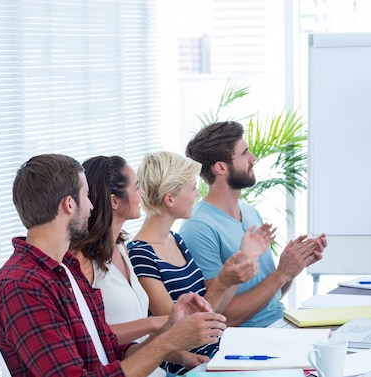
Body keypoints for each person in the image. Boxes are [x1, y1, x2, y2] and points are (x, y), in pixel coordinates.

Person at [0, 153, 226, 376]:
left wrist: (170, 331)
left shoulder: (65, 271)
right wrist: (168, 341)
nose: (91, 206)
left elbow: (109, 349)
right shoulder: (22, 286)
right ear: (69, 204)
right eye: (86, 196)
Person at [127, 151, 274, 375]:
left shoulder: (176, 240)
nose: (197, 194)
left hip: (219, 355)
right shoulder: (140, 254)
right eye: (192, 188)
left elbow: (213, 310)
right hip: (190, 368)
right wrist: (224, 280)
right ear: (170, 199)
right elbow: (178, 331)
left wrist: (239, 267)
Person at [178, 121, 328, 328]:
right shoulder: (198, 228)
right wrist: (281, 273)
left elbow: (270, 296)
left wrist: (293, 265)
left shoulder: (249, 213)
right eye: (244, 153)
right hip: (246, 340)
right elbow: (222, 316)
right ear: (220, 167)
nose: (253, 158)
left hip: (280, 323)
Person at [69, 155, 200, 376]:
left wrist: (183, 357)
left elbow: (135, 342)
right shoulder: (81, 262)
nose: (142, 194)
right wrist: (154, 324)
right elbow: (90, 337)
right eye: (136, 187)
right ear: (114, 201)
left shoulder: (122, 248)